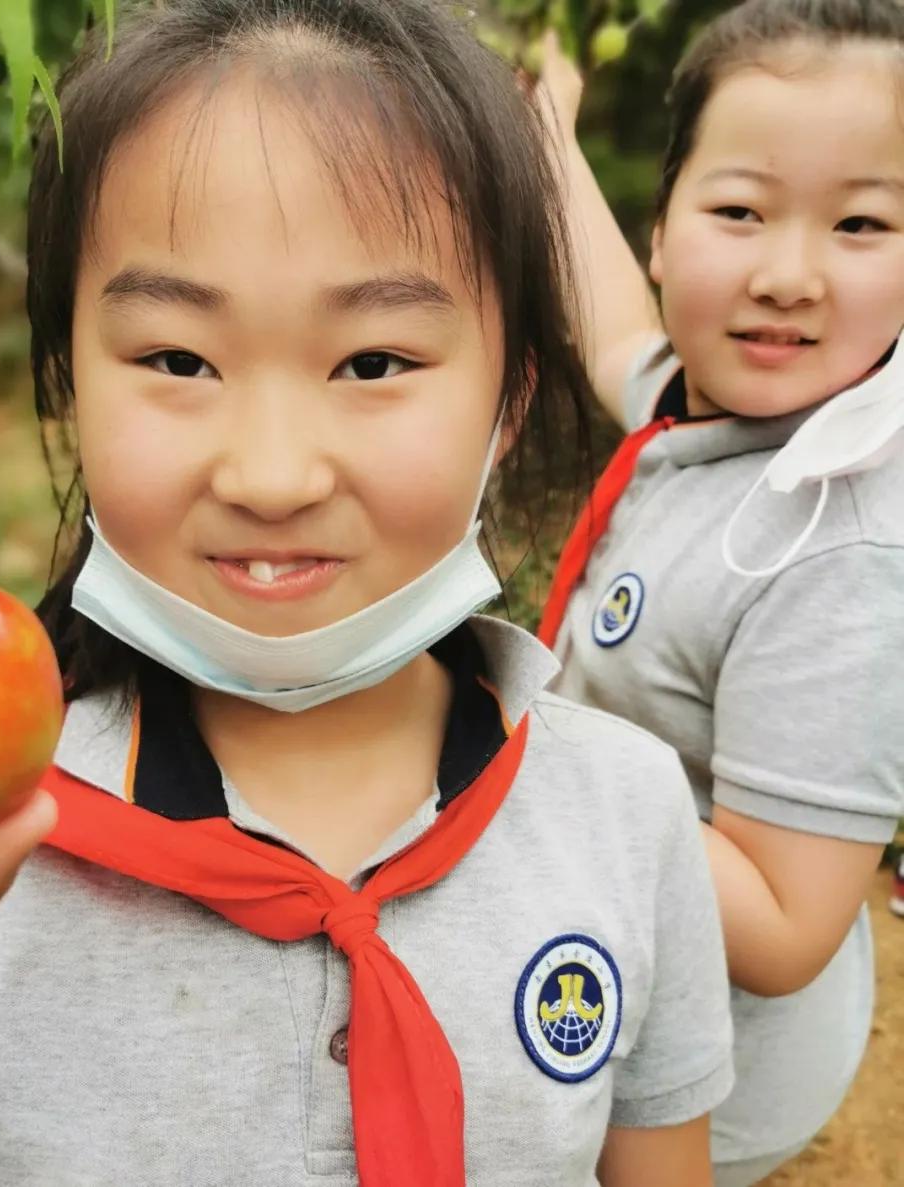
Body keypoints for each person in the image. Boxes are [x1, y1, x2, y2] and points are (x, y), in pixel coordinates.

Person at [0, 2, 736, 1183]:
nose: (270, 475)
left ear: (509, 400)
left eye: (373, 362)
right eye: (177, 360)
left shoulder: (626, 813)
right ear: (68, 386)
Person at [534, 2, 904, 1185]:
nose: (785, 274)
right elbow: (609, 336)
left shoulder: (835, 544)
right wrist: (548, 128)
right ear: (661, 228)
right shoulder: (712, 408)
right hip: (622, 963)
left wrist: (516, 759)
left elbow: (787, 926)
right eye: (738, 210)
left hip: (704, 1071)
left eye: (860, 222)